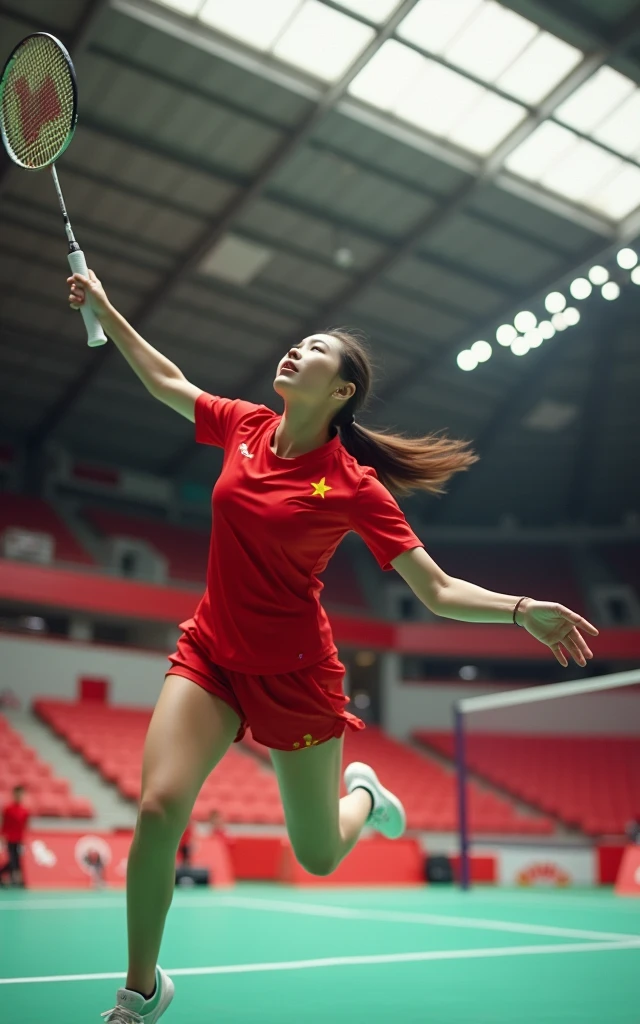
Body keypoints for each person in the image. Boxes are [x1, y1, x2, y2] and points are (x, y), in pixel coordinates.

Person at [67, 270, 600, 1023]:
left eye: (315, 348)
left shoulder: (351, 485)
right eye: (299, 341)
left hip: (296, 677)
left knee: (317, 854)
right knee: (158, 808)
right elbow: (168, 382)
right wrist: (106, 309)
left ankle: (364, 794)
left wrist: (520, 610)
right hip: (213, 652)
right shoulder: (245, 425)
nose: (296, 349)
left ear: (342, 390)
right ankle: (141, 990)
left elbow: (437, 590)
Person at [0, 784, 29, 888]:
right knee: (12, 859)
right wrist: (2, 836)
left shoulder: (25, 811)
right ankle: (14, 879)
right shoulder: (8, 809)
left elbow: (25, 826)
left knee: (17, 860)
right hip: (10, 838)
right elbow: (4, 824)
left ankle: (17, 879)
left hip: (19, 839)